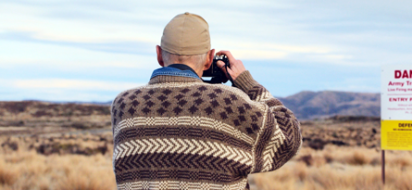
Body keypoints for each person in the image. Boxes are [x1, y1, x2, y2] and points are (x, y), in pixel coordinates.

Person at [111, 12, 302, 190]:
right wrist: (247, 83)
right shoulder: (230, 103)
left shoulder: (124, 104)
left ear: (159, 54)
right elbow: (289, 137)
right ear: (210, 58)